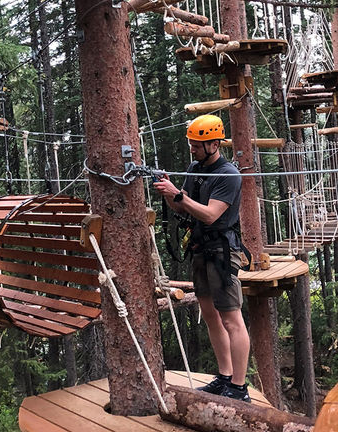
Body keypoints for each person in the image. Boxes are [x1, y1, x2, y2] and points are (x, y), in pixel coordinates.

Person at [153, 114, 251, 402]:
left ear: (214, 144)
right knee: (210, 315)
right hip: (200, 249)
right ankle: (224, 377)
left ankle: (239, 386)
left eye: (197, 145)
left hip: (223, 252)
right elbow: (184, 209)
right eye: (191, 144)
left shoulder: (228, 174)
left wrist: (178, 196)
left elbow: (210, 214)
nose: (192, 149)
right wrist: (170, 192)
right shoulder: (195, 168)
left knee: (231, 318)